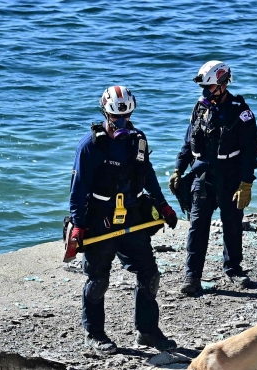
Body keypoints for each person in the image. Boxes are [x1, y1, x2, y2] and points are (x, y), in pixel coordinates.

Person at [67, 86, 179, 355]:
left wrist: (162, 204)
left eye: (126, 116)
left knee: (150, 274)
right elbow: (77, 188)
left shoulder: (137, 140)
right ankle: (94, 335)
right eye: (116, 117)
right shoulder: (90, 146)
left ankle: (147, 331)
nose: (121, 122)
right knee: (98, 280)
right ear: (105, 113)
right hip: (99, 219)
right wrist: (78, 224)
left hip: (131, 216)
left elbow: (148, 173)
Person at [171, 61, 257, 296]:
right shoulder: (199, 108)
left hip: (231, 176)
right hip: (203, 176)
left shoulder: (241, 111)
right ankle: (192, 276)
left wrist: (246, 182)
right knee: (197, 226)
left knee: (232, 225)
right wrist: (178, 169)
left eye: (209, 87)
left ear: (222, 84)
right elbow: (188, 142)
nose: (205, 91)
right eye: (204, 86)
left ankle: (234, 270)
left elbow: (252, 150)